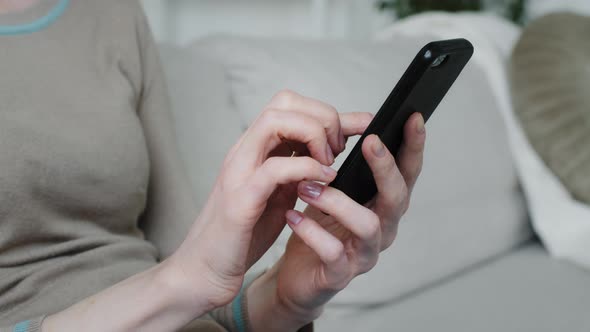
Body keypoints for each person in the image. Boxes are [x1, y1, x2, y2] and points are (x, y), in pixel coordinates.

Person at [0, 0, 426, 331]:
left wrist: (285, 296)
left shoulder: (115, 14)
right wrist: (180, 284)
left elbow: (192, 287)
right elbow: (182, 282)